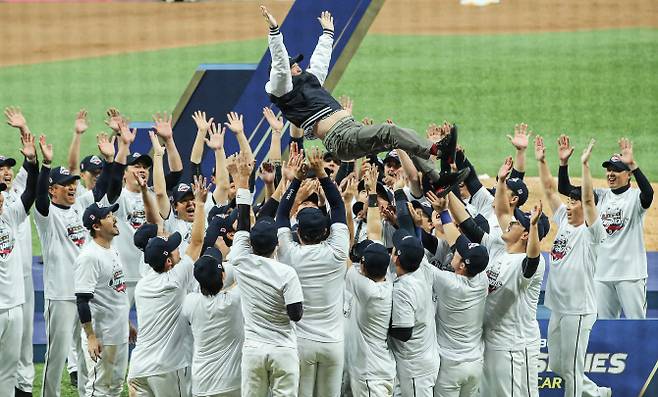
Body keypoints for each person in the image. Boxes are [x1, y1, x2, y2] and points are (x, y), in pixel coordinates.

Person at [259, 5, 468, 196]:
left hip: (350, 130)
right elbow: (279, 63)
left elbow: (320, 63)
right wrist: (275, 32)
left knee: (402, 141)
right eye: (293, 65)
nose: (297, 66)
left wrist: (327, 34)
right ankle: (437, 150)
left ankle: (438, 180)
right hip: (340, 137)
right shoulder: (283, 90)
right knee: (390, 131)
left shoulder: (308, 82)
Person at [35, 129, 125, 397]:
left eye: (74, 181)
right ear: (53, 189)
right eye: (66, 183)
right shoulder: (47, 217)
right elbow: (39, 198)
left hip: (87, 295)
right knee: (56, 356)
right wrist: (46, 166)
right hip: (61, 296)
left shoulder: (81, 205)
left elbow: (103, 189)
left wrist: (110, 161)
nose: (73, 186)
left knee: (90, 351)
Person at [448, 157, 549, 397]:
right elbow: (502, 210)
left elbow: (532, 258)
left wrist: (533, 226)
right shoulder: (501, 253)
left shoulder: (528, 265)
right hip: (492, 341)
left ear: (525, 234)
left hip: (514, 347)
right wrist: (502, 181)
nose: (507, 223)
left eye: (515, 224)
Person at [535, 136, 612, 397]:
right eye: (569, 201)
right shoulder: (565, 222)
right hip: (559, 307)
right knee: (559, 365)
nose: (569, 206)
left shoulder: (593, 233)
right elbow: (547, 189)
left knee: (574, 373)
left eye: (574, 202)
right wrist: (546, 161)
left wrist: (585, 165)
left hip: (578, 311)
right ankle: (599, 393)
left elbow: (590, 201)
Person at [227, 151, 304, 396]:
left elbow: (243, 220)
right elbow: (296, 315)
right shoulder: (286, 273)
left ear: (249, 243)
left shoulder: (241, 259)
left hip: (253, 350)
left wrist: (243, 182)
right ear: (276, 245)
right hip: (283, 349)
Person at [275, 147, 349, 397]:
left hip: (302, 344)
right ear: (326, 232)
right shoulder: (338, 252)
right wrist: (323, 176)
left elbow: (281, 214)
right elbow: (338, 206)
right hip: (333, 343)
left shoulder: (290, 254)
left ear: (299, 233)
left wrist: (296, 180)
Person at [127, 176, 207, 397]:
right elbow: (197, 242)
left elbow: (157, 224)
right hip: (167, 370)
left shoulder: (144, 284)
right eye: (173, 249)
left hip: (138, 369)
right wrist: (200, 204)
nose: (177, 249)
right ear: (169, 262)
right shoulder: (176, 279)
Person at [557, 135, 653, 319]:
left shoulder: (635, 198)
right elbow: (564, 188)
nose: (610, 173)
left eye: (616, 170)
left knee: (637, 324)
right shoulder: (600, 196)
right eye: (609, 169)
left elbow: (648, 193)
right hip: (601, 274)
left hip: (631, 275)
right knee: (604, 327)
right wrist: (563, 163)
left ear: (628, 174)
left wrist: (633, 163)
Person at [424, 192, 489, 397]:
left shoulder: (448, 282)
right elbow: (457, 242)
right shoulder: (481, 279)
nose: (456, 250)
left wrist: (419, 226)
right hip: (475, 364)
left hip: (450, 366)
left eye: (459, 252)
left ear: (461, 265)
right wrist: (443, 214)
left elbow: (416, 259)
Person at [345, 167, 396, 396]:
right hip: (381, 366)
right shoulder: (388, 279)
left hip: (369, 374)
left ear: (362, 266)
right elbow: (375, 233)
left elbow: (344, 251)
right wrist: (373, 194)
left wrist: (346, 206)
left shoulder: (363, 287)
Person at [74, 202, 133, 396]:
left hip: (119, 332)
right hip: (102, 336)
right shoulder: (89, 257)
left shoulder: (112, 249)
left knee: (115, 386)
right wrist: (91, 336)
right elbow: (82, 300)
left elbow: (116, 291)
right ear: (96, 226)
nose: (114, 218)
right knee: (99, 389)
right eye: (108, 216)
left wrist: (127, 323)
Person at [0, 131, 38, 395]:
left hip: (12, 305)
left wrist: (34, 162)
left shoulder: (11, 216)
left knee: (7, 370)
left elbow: (29, 194)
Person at [182, 247, 243, 397]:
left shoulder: (190, 302)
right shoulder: (234, 300)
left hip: (201, 382)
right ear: (223, 276)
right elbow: (243, 278)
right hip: (232, 382)